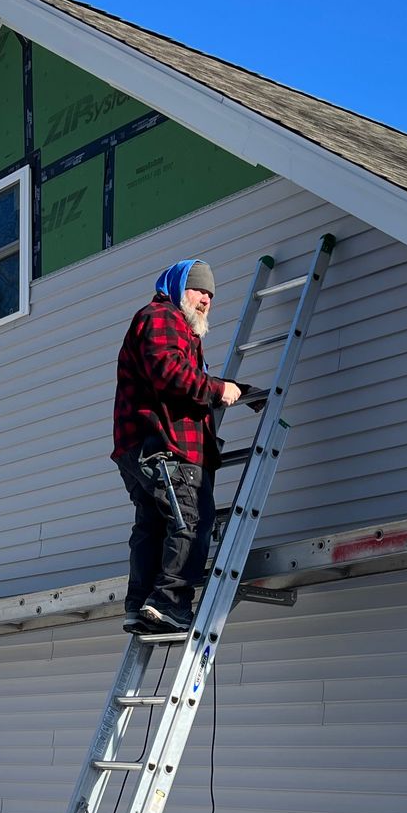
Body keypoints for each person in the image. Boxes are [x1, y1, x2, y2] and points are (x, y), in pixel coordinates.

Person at [111, 258, 249, 634]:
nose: (205, 299)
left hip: (141, 443)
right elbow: (171, 374)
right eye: (198, 290)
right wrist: (218, 390)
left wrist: (231, 390)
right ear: (177, 288)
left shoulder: (172, 326)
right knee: (193, 518)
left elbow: (176, 373)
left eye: (210, 294)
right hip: (164, 444)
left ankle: (139, 604)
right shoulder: (162, 317)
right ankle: (170, 602)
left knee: (153, 527)